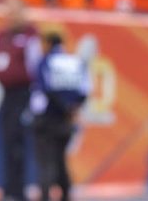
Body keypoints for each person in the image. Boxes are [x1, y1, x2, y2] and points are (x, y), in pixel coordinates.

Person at [0, 0, 42, 201]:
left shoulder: (31, 35)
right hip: (6, 94)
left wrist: (36, 96)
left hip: (25, 93)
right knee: (7, 140)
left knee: (19, 143)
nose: (11, 16)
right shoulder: (0, 36)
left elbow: (36, 66)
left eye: (15, 12)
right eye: (8, 12)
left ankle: (19, 189)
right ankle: (8, 188)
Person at [30, 31, 90, 201]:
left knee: (46, 162)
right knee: (60, 160)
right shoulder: (76, 61)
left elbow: (46, 89)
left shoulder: (46, 61)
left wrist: (62, 108)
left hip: (48, 118)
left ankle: (45, 196)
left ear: (48, 43)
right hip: (67, 121)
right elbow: (85, 91)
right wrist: (71, 110)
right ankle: (65, 196)